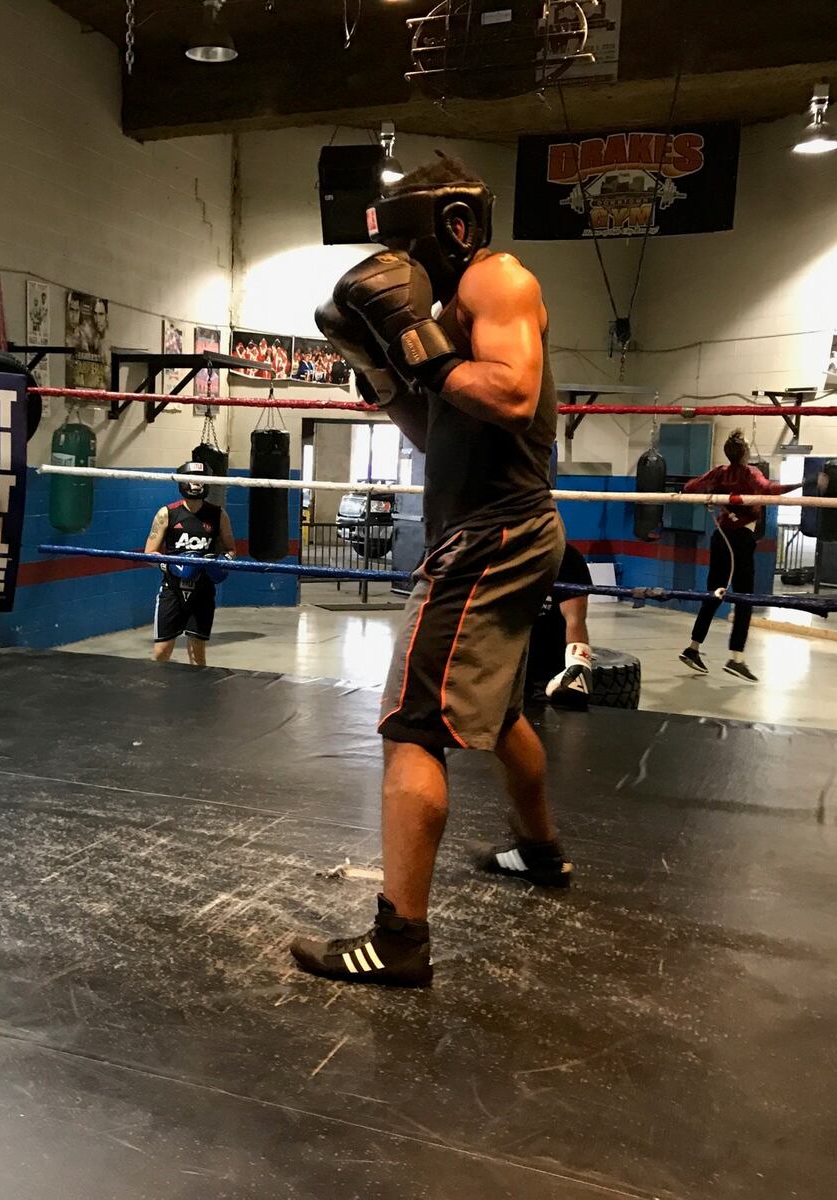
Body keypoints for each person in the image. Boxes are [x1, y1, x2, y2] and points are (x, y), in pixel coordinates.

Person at [295, 155, 567, 987]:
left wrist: (426, 350)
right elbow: (435, 427)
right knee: (506, 710)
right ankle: (542, 854)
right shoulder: (453, 311)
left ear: (452, 225)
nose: (396, 268)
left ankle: (400, 938)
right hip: (504, 529)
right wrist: (385, 370)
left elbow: (513, 394)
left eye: (406, 244)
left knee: (413, 724)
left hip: (493, 535)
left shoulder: (497, 280)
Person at [677, 429, 801, 682]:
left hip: (720, 537)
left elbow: (690, 486)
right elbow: (771, 489)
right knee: (744, 599)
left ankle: (693, 648)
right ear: (745, 453)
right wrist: (804, 484)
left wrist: (712, 495)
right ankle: (736, 659)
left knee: (714, 594)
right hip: (741, 539)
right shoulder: (750, 473)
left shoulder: (720, 472)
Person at [146, 461, 234, 668]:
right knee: (162, 651)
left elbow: (231, 549)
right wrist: (171, 566)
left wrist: (220, 563)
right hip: (172, 589)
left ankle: (197, 699)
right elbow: (149, 553)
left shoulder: (218, 514)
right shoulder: (167, 513)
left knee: (198, 655)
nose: (195, 485)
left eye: (199, 480)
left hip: (203, 590)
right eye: (191, 480)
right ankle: (156, 696)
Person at [543, 542, 595, 708]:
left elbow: (575, 619)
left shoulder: (565, 556)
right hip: (502, 665)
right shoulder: (490, 554)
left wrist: (578, 664)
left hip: (546, 668)